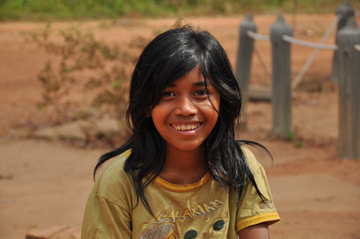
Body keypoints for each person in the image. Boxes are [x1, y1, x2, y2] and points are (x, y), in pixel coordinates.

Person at [81, 25, 280, 239]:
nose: (186, 109)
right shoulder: (118, 183)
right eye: (168, 93)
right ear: (146, 104)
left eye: (201, 92)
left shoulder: (240, 167)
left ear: (222, 99)